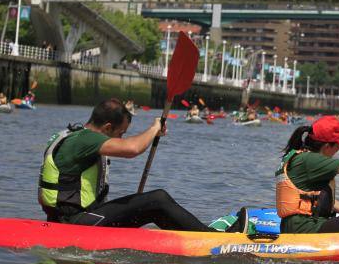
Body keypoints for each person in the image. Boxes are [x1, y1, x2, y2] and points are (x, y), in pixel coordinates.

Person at [37, 98, 210, 231]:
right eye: (120, 133)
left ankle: (189, 238)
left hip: (64, 219)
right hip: (77, 223)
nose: (120, 139)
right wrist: (154, 128)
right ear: (107, 127)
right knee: (158, 198)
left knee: (147, 206)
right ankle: (210, 238)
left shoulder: (71, 135)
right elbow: (133, 148)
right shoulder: (87, 139)